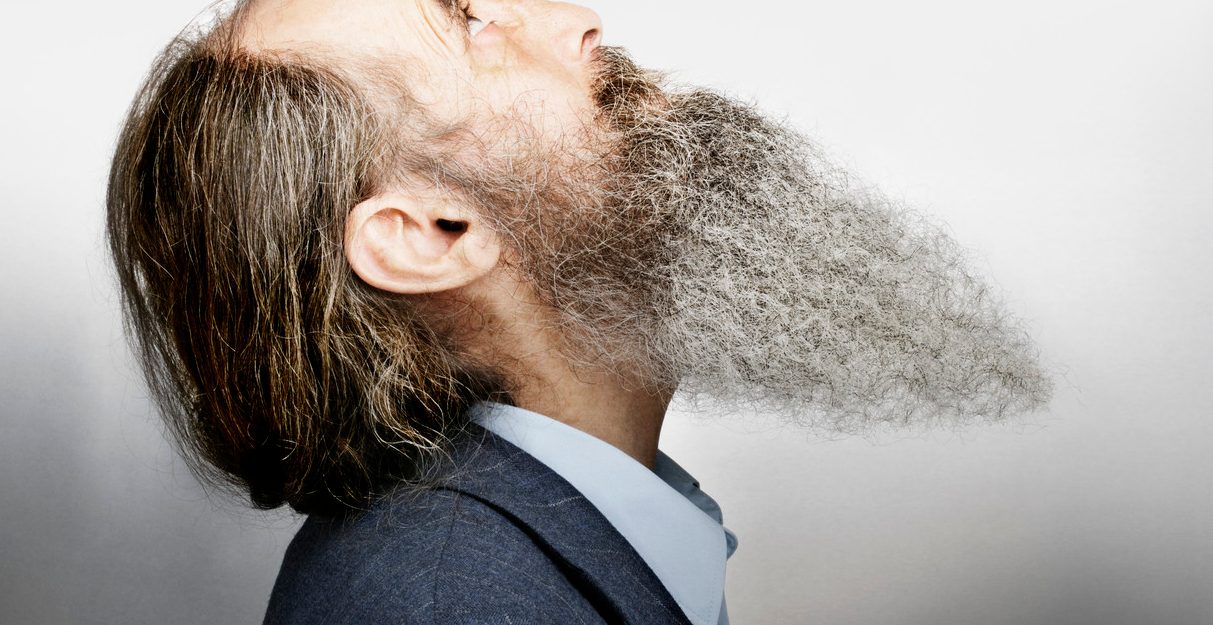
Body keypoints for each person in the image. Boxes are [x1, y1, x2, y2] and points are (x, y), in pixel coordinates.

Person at [106, 0, 1053, 622]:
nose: (579, 22)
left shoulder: (531, 536)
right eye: (471, 23)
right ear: (431, 234)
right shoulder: (442, 604)